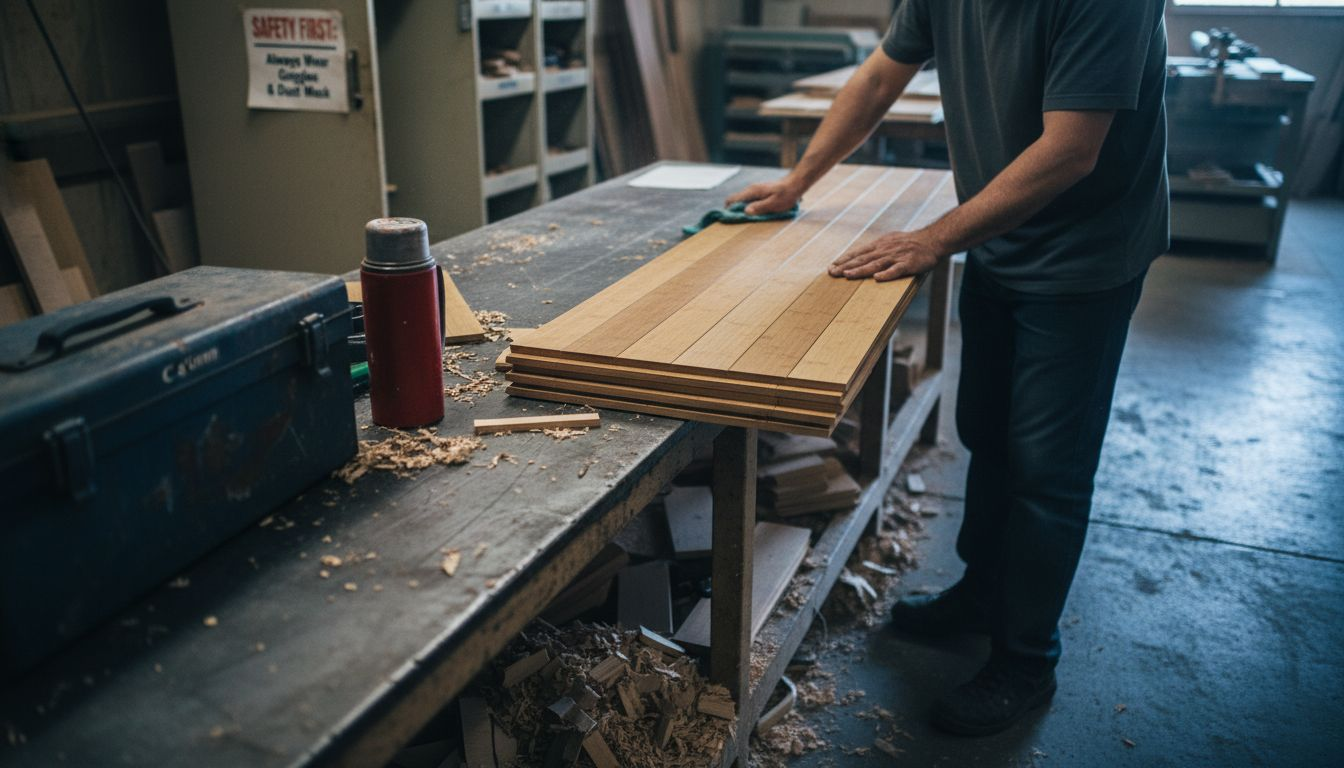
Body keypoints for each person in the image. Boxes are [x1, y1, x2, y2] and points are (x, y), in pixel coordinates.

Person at [726, 0, 1170, 737]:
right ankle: (983, 591)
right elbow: (876, 80)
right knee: (987, 432)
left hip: (1087, 257)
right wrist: (799, 180)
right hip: (1000, 234)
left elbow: (1069, 149)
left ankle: (1027, 658)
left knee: (1046, 472)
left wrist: (936, 237)